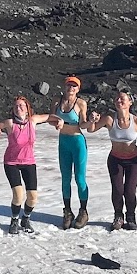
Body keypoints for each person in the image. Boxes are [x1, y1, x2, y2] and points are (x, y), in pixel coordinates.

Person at [84, 90, 137, 230]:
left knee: (129, 191)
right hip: (115, 159)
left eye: (122, 98)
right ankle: (118, 216)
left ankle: (131, 217)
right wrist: (92, 120)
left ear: (130, 102)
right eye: (116, 98)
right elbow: (91, 130)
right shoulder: (109, 119)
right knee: (117, 190)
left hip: (134, 161)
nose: (119, 101)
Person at [0, 96, 63, 235]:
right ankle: (14, 220)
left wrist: (60, 120)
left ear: (27, 108)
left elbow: (49, 117)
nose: (18, 108)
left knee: (33, 196)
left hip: (29, 162)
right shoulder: (10, 123)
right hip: (11, 162)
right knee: (18, 195)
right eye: (16, 106)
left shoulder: (32, 120)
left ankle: (26, 219)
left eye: (21, 105)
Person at [51, 75, 90, 229]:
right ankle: (67, 211)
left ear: (78, 89)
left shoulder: (80, 103)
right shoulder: (57, 100)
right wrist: (56, 122)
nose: (71, 88)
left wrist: (91, 121)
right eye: (69, 85)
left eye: (74, 86)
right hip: (63, 142)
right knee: (65, 178)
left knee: (80, 178)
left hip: (77, 142)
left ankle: (83, 211)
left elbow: (83, 124)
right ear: (64, 86)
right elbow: (50, 118)